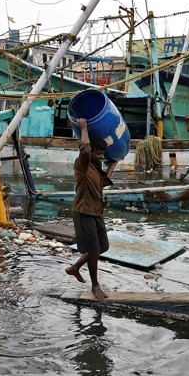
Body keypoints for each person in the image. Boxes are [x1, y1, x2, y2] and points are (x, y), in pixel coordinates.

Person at [66, 117, 117, 299]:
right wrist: (84, 128)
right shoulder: (83, 164)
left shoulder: (95, 168)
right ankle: (95, 286)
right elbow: (86, 149)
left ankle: (75, 267)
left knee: (103, 247)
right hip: (84, 211)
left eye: (103, 154)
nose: (101, 157)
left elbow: (102, 183)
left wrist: (112, 165)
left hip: (96, 212)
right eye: (98, 154)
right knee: (94, 251)